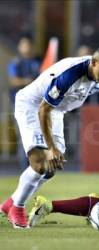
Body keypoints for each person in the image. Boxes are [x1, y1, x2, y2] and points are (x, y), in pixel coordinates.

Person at [0, 44, 99, 229]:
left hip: (55, 111)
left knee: (51, 167)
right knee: (40, 162)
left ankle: (11, 203)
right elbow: (43, 109)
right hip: (34, 106)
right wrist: (52, 147)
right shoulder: (70, 75)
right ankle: (18, 208)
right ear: (94, 62)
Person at [7, 36, 41, 170]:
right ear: (20, 48)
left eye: (29, 45)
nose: (27, 48)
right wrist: (30, 82)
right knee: (24, 134)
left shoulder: (37, 62)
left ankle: (37, 166)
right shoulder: (15, 62)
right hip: (19, 105)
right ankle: (26, 167)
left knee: (37, 134)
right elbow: (14, 80)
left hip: (36, 103)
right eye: (24, 45)